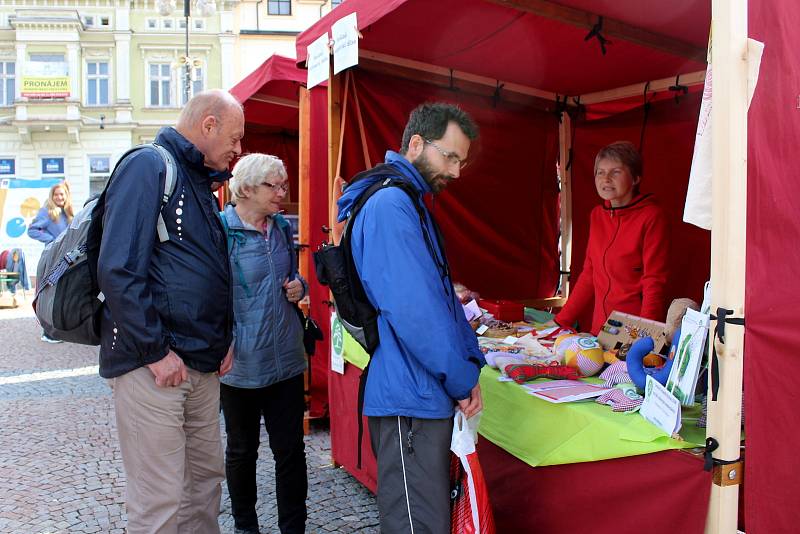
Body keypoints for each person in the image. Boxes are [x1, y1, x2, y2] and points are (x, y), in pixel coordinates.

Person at [97, 89, 243, 534]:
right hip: (154, 366)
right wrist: (155, 351)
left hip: (199, 364)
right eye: (235, 138)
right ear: (209, 124)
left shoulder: (198, 181)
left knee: (204, 489)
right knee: (159, 501)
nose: (239, 151)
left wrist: (225, 337)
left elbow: (206, 270)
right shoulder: (149, 165)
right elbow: (118, 268)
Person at [337, 102, 484, 533]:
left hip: (416, 393)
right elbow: (415, 312)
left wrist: (468, 364)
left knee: (426, 520)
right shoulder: (390, 204)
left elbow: (436, 299)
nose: (456, 171)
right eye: (450, 156)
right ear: (416, 143)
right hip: (409, 396)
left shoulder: (407, 201)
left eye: (462, 160)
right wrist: (460, 377)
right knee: (417, 524)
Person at [219, 154, 308, 534]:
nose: (283, 194)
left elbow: (291, 275)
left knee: (291, 452)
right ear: (248, 188)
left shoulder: (281, 229)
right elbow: (208, 295)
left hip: (286, 359)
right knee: (242, 452)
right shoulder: (220, 231)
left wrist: (299, 285)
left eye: (284, 185)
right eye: (275, 186)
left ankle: (294, 528)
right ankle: (245, 527)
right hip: (240, 363)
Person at [555, 140, 670, 335]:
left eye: (615, 172)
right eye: (600, 172)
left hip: (634, 331)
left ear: (635, 178)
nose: (606, 178)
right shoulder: (597, 216)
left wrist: (644, 335)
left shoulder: (651, 216)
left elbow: (654, 281)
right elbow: (589, 275)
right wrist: (561, 322)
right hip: (600, 330)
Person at [28, 182, 74, 343]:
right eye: (56, 195)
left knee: (63, 294)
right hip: (53, 259)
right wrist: (52, 240)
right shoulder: (46, 212)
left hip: (66, 259)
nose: (59, 197)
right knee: (51, 295)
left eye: (62, 194)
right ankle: (47, 332)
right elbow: (32, 230)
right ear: (52, 196)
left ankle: (61, 329)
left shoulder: (68, 212)